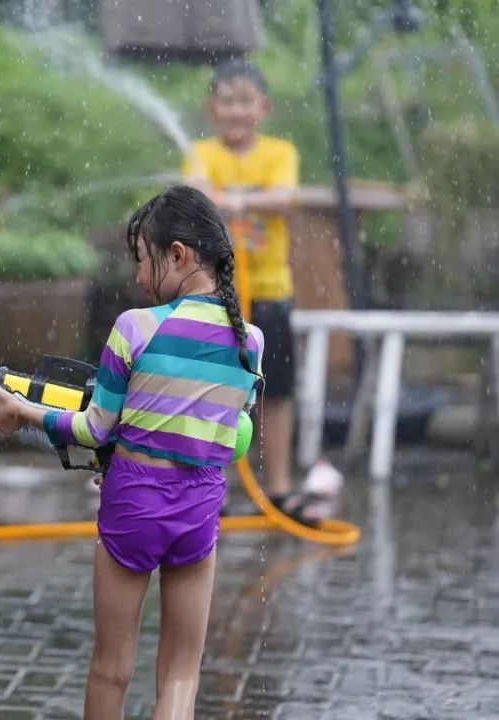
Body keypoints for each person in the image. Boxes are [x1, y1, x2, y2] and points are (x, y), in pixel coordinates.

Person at [0, 186, 264, 719]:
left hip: (133, 502)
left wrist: (21, 412)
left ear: (177, 254)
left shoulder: (136, 328)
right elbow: (232, 425)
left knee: (111, 669)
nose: (137, 278)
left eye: (142, 260)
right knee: (181, 675)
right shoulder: (251, 342)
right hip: (199, 507)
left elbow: (93, 429)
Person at [182, 59, 308, 520]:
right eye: (227, 100)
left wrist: (233, 199)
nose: (236, 110)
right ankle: (203, 484)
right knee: (210, 388)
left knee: (273, 392)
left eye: (245, 100)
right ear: (212, 108)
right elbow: (192, 194)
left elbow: (284, 198)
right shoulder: (201, 153)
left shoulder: (278, 153)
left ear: (264, 107)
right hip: (215, 294)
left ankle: (276, 488)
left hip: (269, 291)